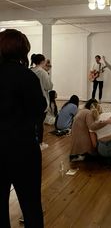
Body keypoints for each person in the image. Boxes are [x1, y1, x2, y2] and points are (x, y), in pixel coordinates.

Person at [0, 29, 47, 228]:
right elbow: (40, 109)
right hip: (23, 149)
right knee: (31, 206)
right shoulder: (27, 76)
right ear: (23, 50)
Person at [31, 54, 53, 150]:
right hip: (41, 100)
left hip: (31, 100)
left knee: (33, 123)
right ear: (42, 61)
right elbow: (49, 86)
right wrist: (47, 74)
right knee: (40, 124)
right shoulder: (42, 72)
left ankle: (32, 142)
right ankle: (39, 143)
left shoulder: (31, 70)